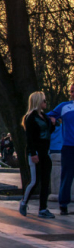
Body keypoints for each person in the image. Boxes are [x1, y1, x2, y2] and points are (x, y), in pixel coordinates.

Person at [20, 92, 55, 218]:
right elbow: (29, 138)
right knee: (35, 181)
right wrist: (33, 153)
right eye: (44, 100)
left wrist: (53, 124)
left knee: (46, 182)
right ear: (38, 101)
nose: (45, 103)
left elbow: (48, 132)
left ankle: (43, 209)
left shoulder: (44, 117)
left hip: (45, 152)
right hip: (35, 153)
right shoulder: (31, 117)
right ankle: (24, 202)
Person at [48, 82, 74, 215]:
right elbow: (48, 116)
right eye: (71, 91)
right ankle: (63, 204)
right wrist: (52, 119)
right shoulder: (65, 106)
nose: (72, 94)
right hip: (69, 147)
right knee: (66, 176)